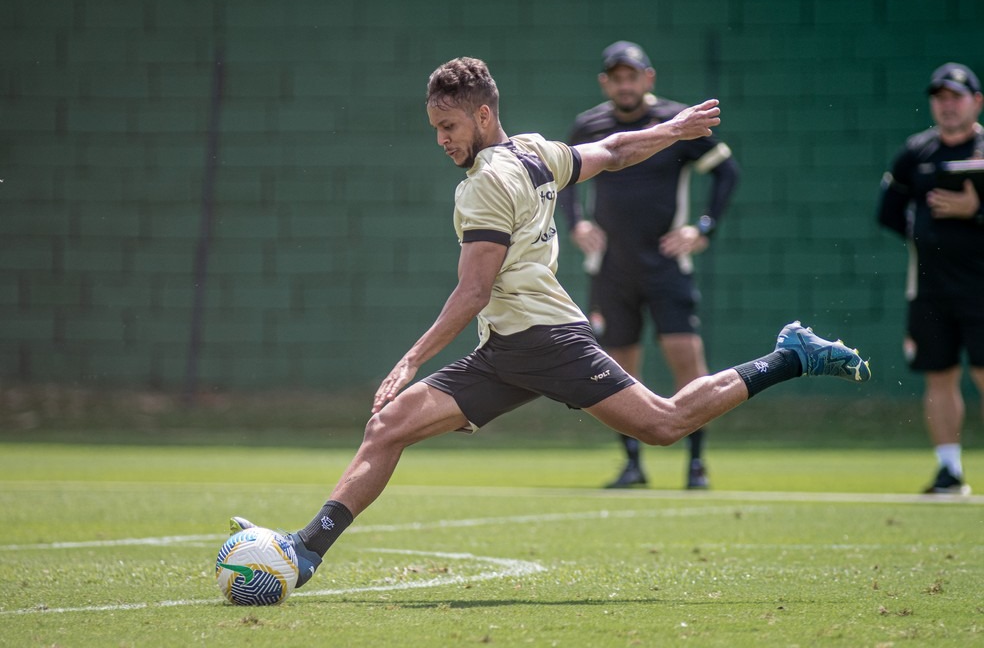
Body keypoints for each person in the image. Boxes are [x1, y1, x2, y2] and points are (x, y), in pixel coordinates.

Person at [233, 57, 871, 589]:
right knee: (389, 426)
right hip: (509, 347)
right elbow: (617, 150)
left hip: (544, 340)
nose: (442, 139)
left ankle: (790, 355)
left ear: (483, 114)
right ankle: (303, 552)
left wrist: (410, 359)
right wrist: (672, 130)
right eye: (434, 127)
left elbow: (474, 290)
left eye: (449, 125)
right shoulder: (535, 151)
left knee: (665, 422)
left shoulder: (483, 185)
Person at [558, 41, 740, 490]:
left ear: (648, 78)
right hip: (612, 267)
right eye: (616, 77)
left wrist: (702, 228)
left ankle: (696, 464)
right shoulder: (590, 124)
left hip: (665, 264)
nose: (625, 84)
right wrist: (578, 223)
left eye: (632, 75)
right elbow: (560, 177)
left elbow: (726, 171)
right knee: (618, 370)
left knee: (686, 359)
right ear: (606, 82)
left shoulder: (675, 123)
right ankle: (632, 463)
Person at [877, 62, 984, 496]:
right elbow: (887, 211)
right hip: (930, 289)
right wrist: (924, 232)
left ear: (976, 102)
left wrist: (972, 212)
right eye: (940, 98)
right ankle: (948, 471)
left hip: (981, 289)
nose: (947, 105)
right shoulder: (915, 153)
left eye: (956, 97)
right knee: (938, 376)